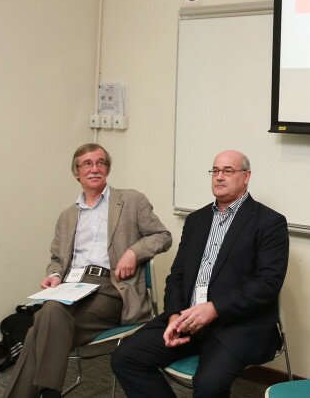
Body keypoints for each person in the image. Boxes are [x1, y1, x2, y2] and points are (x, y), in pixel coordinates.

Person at [112, 149, 289, 397]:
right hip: (187, 319)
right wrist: (174, 316)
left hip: (234, 324)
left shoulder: (269, 222)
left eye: (228, 171)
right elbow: (177, 276)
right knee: (125, 357)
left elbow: (267, 284)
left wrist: (214, 308)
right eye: (215, 170)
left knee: (208, 385)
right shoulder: (197, 220)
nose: (219, 177)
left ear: (246, 176)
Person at [3, 143, 172, 398]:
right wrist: (54, 275)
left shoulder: (130, 200)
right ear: (77, 172)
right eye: (87, 164)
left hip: (111, 288)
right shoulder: (67, 216)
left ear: (107, 168)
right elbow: (56, 258)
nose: (95, 169)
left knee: (41, 324)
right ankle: (49, 393)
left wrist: (133, 252)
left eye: (100, 163)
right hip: (71, 287)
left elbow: (163, 236)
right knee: (50, 316)